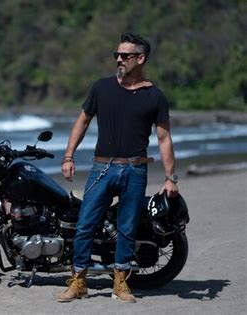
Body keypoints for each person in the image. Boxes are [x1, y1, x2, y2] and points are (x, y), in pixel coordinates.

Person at [57, 33, 179, 303]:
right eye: (117, 55)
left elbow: (164, 138)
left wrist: (171, 178)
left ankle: (120, 284)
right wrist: (68, 156)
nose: (119, 60)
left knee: (127, 227)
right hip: (102, 167)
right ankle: (78, 282)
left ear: (141, 58)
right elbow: (82, 122)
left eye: (125, 55)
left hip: (135, 171)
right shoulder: (101, 88)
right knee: (85, 224)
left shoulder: (154, 96)